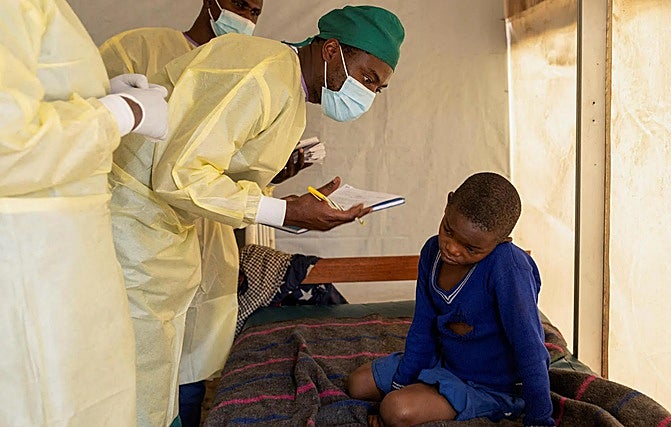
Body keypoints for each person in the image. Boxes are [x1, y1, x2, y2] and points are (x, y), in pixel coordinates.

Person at [105, 5, 405, 426]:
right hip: (133, 225)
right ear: (332, 49)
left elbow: (224, 170)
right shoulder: (263, 72)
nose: (368, 94)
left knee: (159, 372)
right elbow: (180, 172)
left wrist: (295, 205)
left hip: (165, 230)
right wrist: (282, 211)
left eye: (379, 88)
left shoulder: (289, 90)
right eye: (368, 79)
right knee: (131, 378)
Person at [99, 2, 270, 425]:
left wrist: (280, 173)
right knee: (132, 362)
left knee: (191, 359)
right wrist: (124, 110)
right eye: (238, 3)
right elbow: (91, 126)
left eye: (254, 9)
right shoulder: (142, 47)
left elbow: (223, 169)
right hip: (135, 232)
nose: (246, 15)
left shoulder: (243, 74)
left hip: (203, 235)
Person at [0, 0, 168, 425]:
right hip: (32, 264)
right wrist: (120, 114)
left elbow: (25, 96)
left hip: (62, 254)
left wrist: (100, 93)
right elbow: (6, 145)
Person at [347, 172, 556, 427]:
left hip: (490, 385)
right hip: (444, 363)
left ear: (502, 242)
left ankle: (497, 408)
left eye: (471, 248)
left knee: (395, 410)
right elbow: (423, 326)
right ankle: (422, 389)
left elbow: (530, 347)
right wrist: (403, 381)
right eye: (448, 230)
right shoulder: (431, 251)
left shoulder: (507, 266)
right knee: (357, 385)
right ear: (448, 204)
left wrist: (539, 418)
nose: (452, 247)